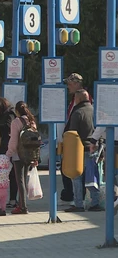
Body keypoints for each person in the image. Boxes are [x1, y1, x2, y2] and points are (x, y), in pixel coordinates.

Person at [58, 73, 93, 204]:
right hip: (76, 142)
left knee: (77, 174)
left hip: (78, 143)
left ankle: (77, 200)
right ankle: (70, 195)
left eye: (70, 84)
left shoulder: (82, 101)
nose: (68, 87)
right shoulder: (74, 100)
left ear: (77, 83)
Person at [64, 89, 100, 212]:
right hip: (93, 147)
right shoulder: (94, 110)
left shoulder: (77, 112)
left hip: (79, 149)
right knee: (92, 176)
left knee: (77, 177)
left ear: (78, 99)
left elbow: (72, 134)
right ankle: (95, 203)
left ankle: (78, 204)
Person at [6, 101, 38, 214]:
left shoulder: (16, 122)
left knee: (20, 181)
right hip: (29, 154)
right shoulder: (32, 122)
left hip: (18, 155)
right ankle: (22, 204)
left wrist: (8, 153)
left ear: (17, 111)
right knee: (24, 179)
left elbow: (14, 140)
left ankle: (23, 207)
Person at [0, 97, 17, 208]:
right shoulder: (3, 115)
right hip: (3, 146)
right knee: (2, 172)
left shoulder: (10, 115)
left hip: (8, 147)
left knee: (9, 173)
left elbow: (8, 127)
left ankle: (12, 199)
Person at [89, 127, 118, 215]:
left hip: (112, 143)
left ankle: (114, 199)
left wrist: (93, 140)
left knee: (110, 173)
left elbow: (102, 126)